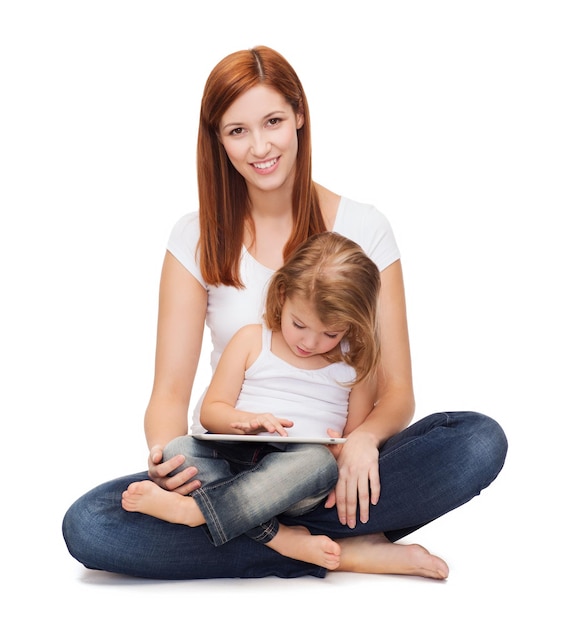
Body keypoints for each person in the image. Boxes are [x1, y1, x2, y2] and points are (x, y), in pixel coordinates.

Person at [62, 45, 507, 580]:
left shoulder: (364, 228)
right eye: (237, 131)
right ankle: (335, 548)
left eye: (272, 121)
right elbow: (171, 393)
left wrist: (362, 441)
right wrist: (165, 458)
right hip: (229, 465)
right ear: (218, 140)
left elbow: (396, 390)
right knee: (91, 524)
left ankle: (252, 534)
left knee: (476, 440)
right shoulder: (194, 237)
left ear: (300, 115)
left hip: (327, 468)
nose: (260, 146)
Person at [122, 231, 389, 571]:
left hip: (292, 478)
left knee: (320, 465)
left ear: (353, 325)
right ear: (283, 295)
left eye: (331, 333)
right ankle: (281, 539)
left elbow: (348, 443)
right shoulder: (252, 340)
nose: (310, 341)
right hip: (233, 459)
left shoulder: (355, 367)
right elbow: (212, 411)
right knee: (178, 452)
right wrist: (243, 421)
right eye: (299, 324)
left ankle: (195, 512)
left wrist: (337, 451)